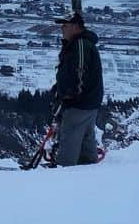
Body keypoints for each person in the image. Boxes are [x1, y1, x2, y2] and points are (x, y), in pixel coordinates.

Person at [51, 10, 104, 166]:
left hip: (79, 104)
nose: (62, 29)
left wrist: (69, 96)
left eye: (65, 26)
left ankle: (64, 173)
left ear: (75, 27)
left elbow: (79, 73)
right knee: (86, 141)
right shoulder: (81, 44)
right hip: (89, 102)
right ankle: (88, 169)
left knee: (69, 140)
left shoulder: (80, 45)